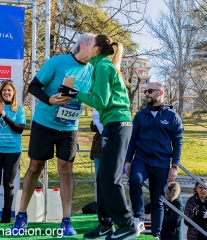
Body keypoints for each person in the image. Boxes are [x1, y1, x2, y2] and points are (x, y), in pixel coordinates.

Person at [11, 32, 96, 236]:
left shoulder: (93, 70)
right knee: (35, 167)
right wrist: (49, 99)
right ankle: (21, 215)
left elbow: (92, 96)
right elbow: (33, 86)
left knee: (66, 169)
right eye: (95, 45)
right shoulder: (58, 62)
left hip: (69, 127)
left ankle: (66, 220)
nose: (97, 49)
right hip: (44, 123)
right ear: (82, 44)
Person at [59, 34, 139, 240]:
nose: (84, 45)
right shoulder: (101, 67)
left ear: (96, 50)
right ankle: (105, 224)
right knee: (103, 177)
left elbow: (101, 101)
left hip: (117, 124)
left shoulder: (103, 67)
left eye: (90, 43)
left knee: (110, 178)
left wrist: (74, 93)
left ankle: (127, 225)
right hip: (112, 125)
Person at [124, 82, 183, 239]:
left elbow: (177, 142)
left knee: (158, 201)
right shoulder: (140, 115)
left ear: (160, 92)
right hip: (141, 159)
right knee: (135, 179)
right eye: (145, 91)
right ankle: (138, 218)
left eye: (149, 91)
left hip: (161, 162)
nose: (146, 94)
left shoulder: (172, 117)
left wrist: (174, 165)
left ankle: (156, 235)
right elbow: (133, 138)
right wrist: (128, 160)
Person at [0, 81, 26, 224]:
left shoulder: (19, 109)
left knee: (8, 183)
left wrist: (4, 115)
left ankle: (7, 215)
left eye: (9, 90)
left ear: (13, 92)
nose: (6, 93)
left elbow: (19, 129)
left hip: (13, 151)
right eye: (4, 91)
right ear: (0, 93)